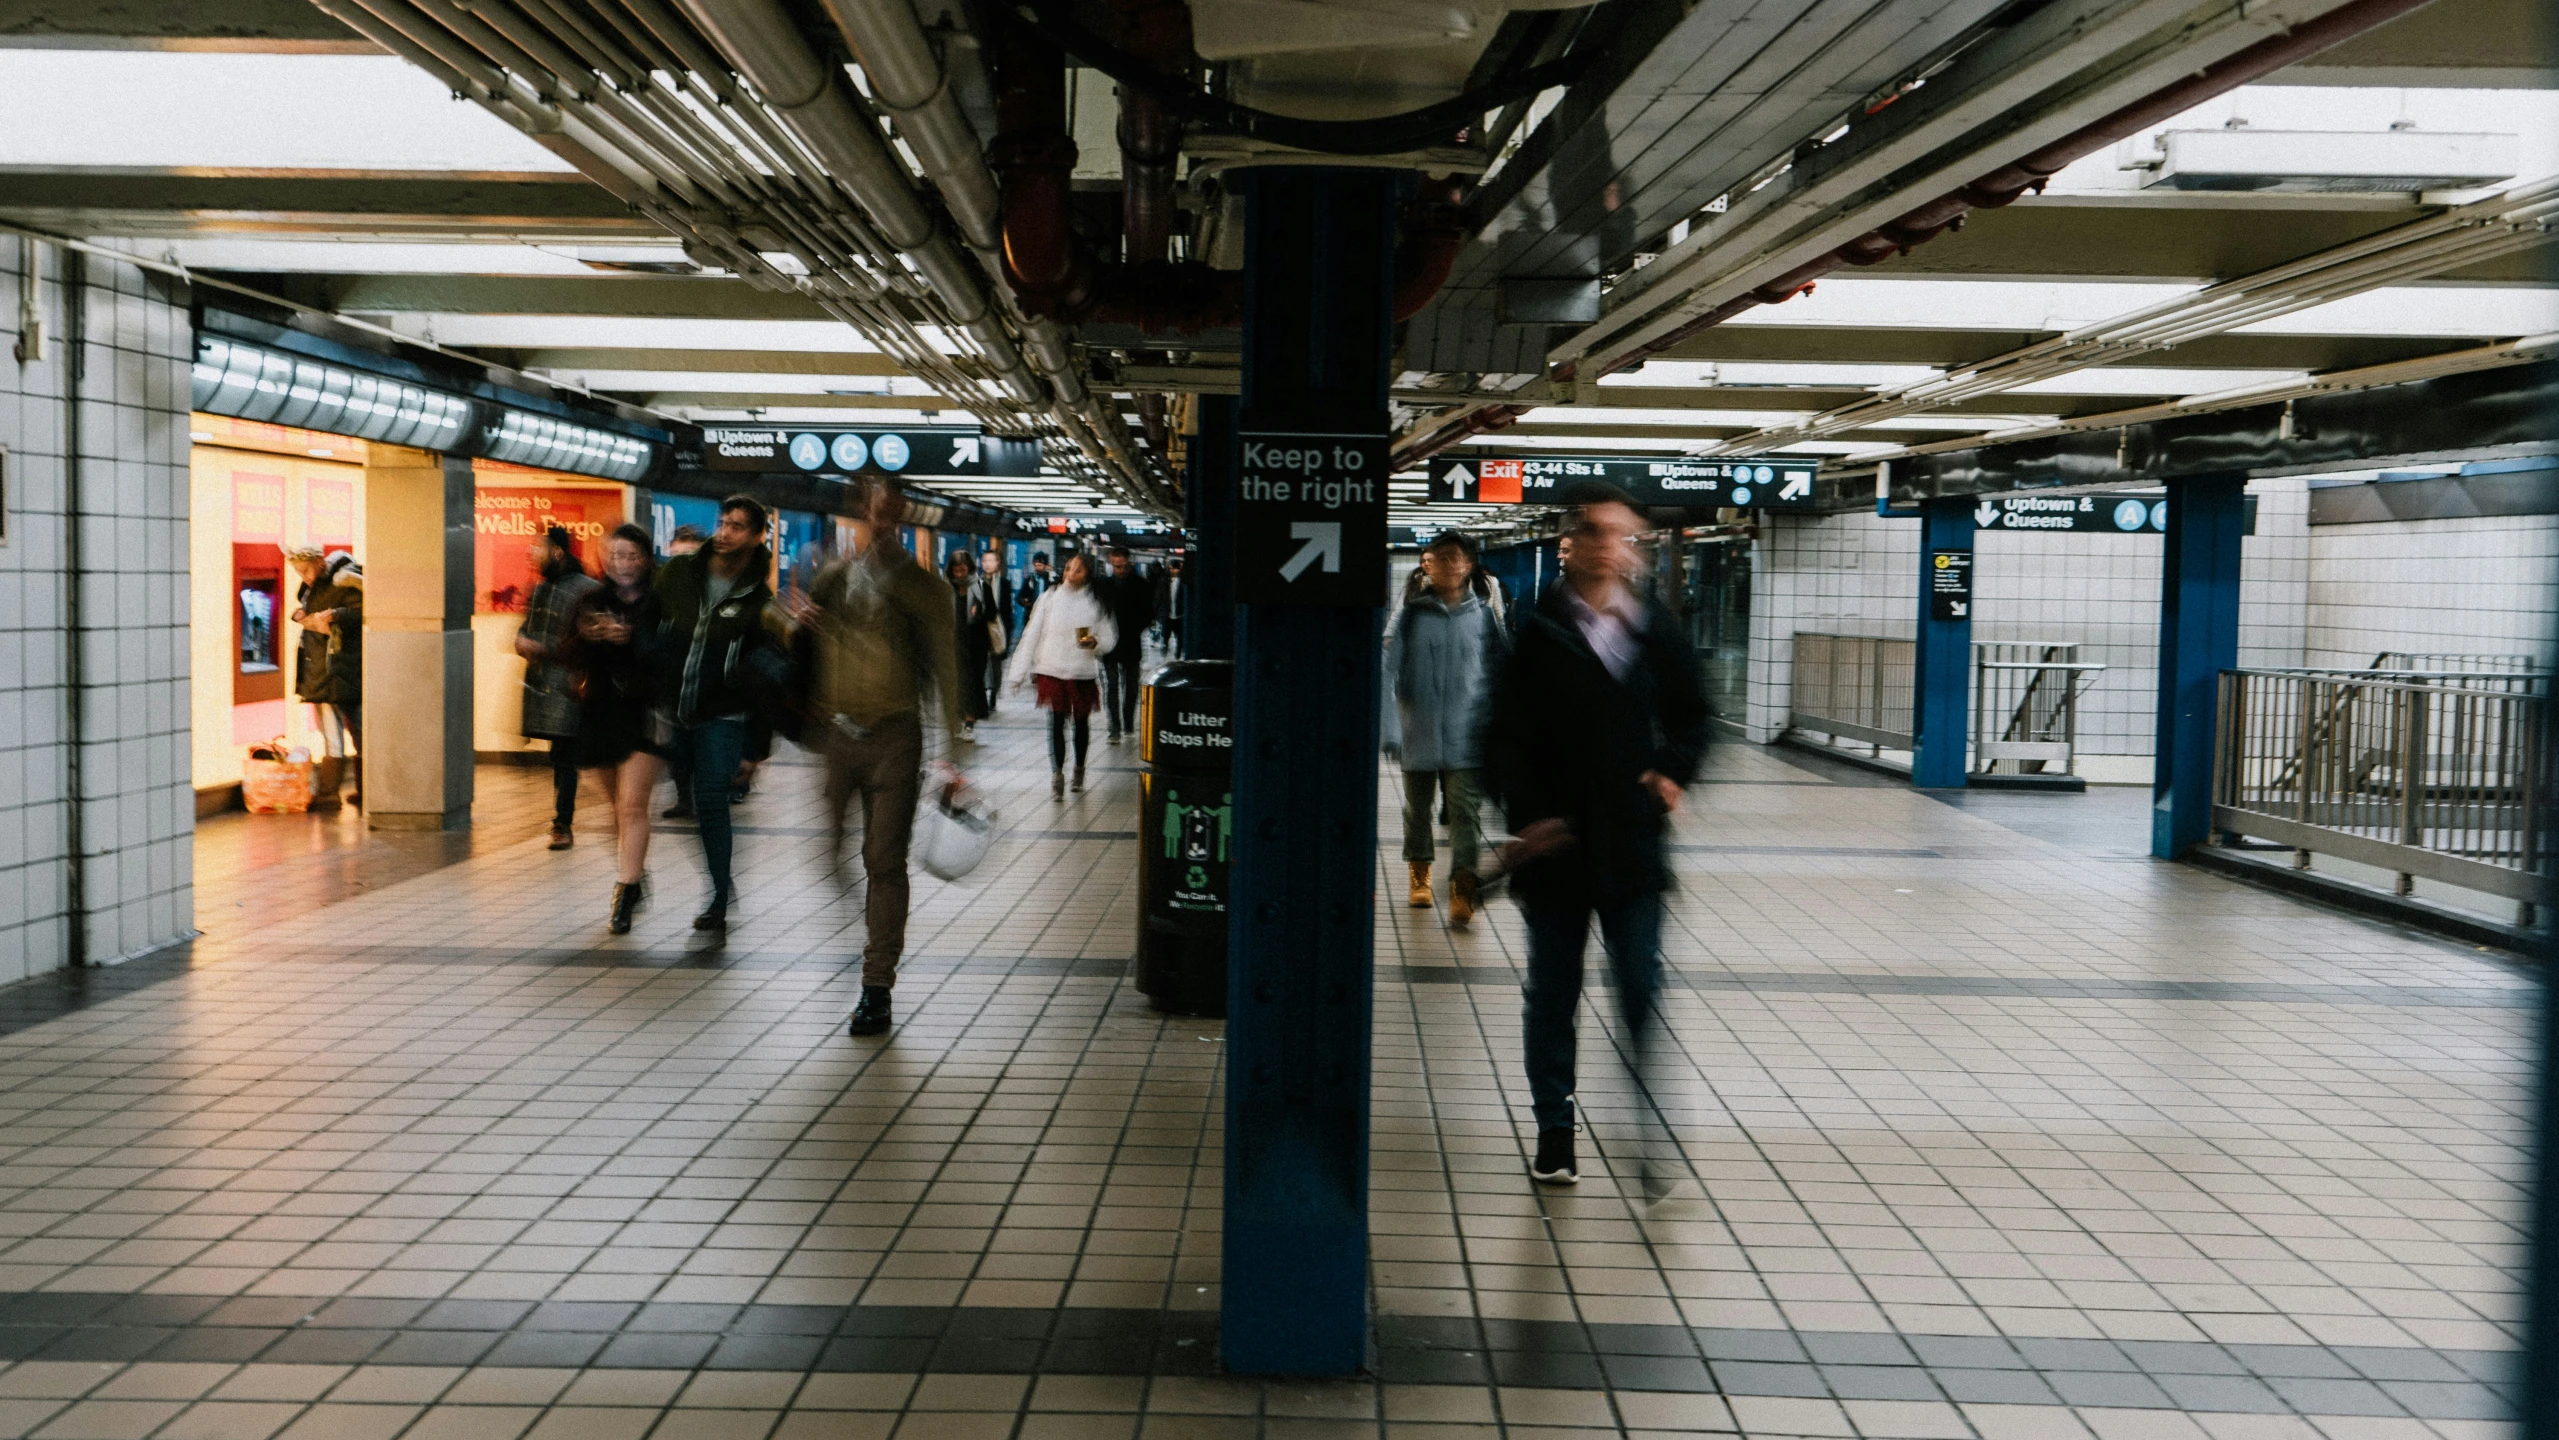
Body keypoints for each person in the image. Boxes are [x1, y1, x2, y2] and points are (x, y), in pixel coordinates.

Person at [1486, 483, 1707, 1190]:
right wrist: (1523, 818)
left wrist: (1672, 771)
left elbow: (1695, 715)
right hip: (1556, 848)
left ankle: (1649, 1133)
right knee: (1552, 993)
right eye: (1600, 533)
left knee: (1640, 988)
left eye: (1625, 536)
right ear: (1571, 544)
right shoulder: (1536, 631)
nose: (1614, 548)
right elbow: (1500, 735)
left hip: (1632, 847)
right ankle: (1555, 1127)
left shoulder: (1654, 628)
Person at [782, 477, 966, 1038]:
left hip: (895, 736)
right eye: (871, 512)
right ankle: (868, 926)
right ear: (858, 515)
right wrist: (794, 623)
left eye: (891, 512)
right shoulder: (833, 578)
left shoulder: (925, 589)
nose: (880, 522)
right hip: (838, 738)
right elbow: (800, 643)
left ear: (902, 515)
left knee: (883, 861)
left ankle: (876, 985)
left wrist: (952, 756)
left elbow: (946, 671)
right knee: (833, 852)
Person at [646, 495, 777, 933]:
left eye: (738, 526)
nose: (725, 532)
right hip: (674, 712)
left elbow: (764, 678)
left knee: (711, 803)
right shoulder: (680, 573)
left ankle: (719, 896)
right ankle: (718, 880)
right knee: (687, 807)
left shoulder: (759, 599)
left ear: (757, 536)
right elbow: (649, 625)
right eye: (723, 522)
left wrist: (756, 749)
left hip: (723, 717)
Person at [1384, 530, 1509, 928]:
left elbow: (1499, 677)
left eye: (1456, 558)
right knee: (1418, 811)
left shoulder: (1484, 617)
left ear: (1469, 566)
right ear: (1428, 565)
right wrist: (1389, 729)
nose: (1449, 565)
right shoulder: (1410, 614)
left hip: (1465, 735)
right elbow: (1387, 670)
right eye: (1440, 559)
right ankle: (1418, 876)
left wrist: (1497, 730)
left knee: (1465, 814)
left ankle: (1462, 888)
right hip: (1417, 729)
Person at [565, 524, 666, 934]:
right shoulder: (591, 599)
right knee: (615, 809)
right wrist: (586, 636)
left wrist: (631, 638)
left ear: (645, 559)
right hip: (601, 711)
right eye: (616, 556)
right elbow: (564, 652)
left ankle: (624, 893)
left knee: (631, 806)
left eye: (632, 556)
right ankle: (635, 874)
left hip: (646, 711)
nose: (623, 564)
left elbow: (669, 655)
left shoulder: (660, 603)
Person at [516, 526, 601, 849]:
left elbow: (586, 642)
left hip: (572, 688)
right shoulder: (539, 590)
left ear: (557, 552)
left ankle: (562, 823)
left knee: (566, 756)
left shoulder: (586, 590)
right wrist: (521, 640)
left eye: (539, 548)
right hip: (544, 687)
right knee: (561, 756)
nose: (533, 554)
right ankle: (561, 821)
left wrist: (543, 649)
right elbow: (527, 627)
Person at [1006, 551, 1115, 799]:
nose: (1071, 574)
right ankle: (1057, 773)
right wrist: (1018, 672)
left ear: (1088, 573)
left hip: (1082, 672)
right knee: (1056, 722)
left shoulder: (1096, 601)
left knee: (1080, 723)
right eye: (1068, 568)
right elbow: (1032, 633)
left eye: (1078, 570)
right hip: (1052, 669)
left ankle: (1079, 767)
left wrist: (1095, 643)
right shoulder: (1049, 598)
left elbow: (1109, 637)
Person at [286, 547, 364, 811]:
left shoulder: (342, 581)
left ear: (320, 563)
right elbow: (308, 608)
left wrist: (335, 616)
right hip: (342, 669)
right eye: (298, 572)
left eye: (306, 570)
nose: (304, 577)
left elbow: (361, 612)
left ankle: (329, 794)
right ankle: (368, 790)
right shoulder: (319, 585)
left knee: (333, 734)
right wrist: (299, 614)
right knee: (359, 731)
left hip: (331, 671)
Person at [660, 523, 709, 820]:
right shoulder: (664, 587)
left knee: (703, 744)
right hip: (673, 681)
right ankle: (684, 797)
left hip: (705, 682)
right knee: (678, 745)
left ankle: (707, 794)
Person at [1098, 547, 1156, 745]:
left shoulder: (1141, 585)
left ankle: (1128, 723)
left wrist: (1137, 628)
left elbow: (1149, 612)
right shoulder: (1102, 585)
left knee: (1131, 687)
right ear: (1110, 563)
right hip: (1109, 644)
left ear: (1128, 562)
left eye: (1123, 566)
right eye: (1116, 566)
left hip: (1131, 642)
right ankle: (1114, 728)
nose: (1120, 570)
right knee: (1112, 686)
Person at [946, 550, 990, 741]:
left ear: (970, 569)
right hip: (953, 644)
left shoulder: (981, 587)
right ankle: (957, 721)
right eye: (957, 571)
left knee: (972, 684)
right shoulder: (946, 589)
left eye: (963, 570)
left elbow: (993, 613)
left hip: (976, 645)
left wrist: (979, 612)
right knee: (956, 684)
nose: (960, 575)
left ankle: (969, 724)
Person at [970, 550, 1010, 718]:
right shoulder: (975, 583)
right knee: (982, 663)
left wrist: (1006, 634)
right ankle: (984, 695)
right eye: (984, 560)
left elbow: (1007, 611)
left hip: (996, 628)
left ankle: (994, 693)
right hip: (979, 629)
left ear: (998, 563)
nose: (987, 564)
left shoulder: (1004, 583)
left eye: (991, 561)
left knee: (995, 664)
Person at [1156, 556, 1187, 658]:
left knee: (1180, 638)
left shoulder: (1183, 583)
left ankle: (1177, 656)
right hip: (1167, 615)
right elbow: (1158, 598)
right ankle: (1164, 655)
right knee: (1165, 637)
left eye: (1174, 568)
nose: (1172, 570)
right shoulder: (1164, 582)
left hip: (1179, 616)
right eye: (1170, 568)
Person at [1016, 552, 1053, 632]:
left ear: (1045, 566)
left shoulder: (1051, 579)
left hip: (1047, 616)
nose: (1037, 568)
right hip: (1031, 616)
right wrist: (1025, 602)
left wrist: (1053, 573)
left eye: (1040, 565)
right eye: (1035, 566)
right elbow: (1019, 597)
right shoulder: (1030, 580)